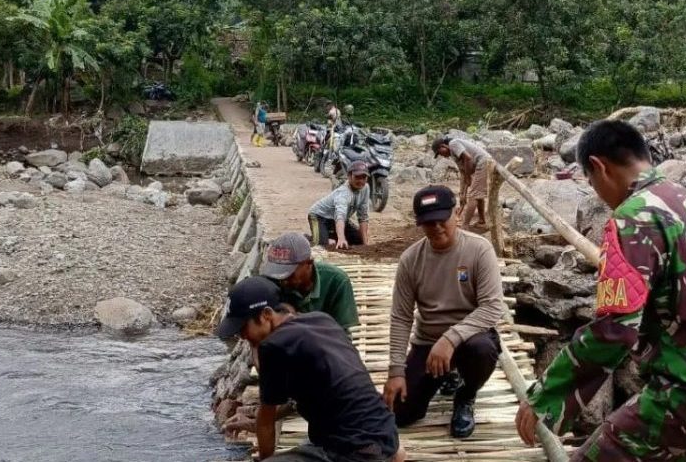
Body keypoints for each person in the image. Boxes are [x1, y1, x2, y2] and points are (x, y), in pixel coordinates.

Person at [514, 120, 686, 461]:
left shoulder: (632, 217)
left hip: (685, 404)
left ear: (599, 166)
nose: (597, 191)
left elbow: (614, 329)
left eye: (591, 181)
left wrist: (547, 395)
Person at [216, 277, 403, 462]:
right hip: (385, 435)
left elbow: (267, 420)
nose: (241, 335)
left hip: (355, 451)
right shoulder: (322, 319)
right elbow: (298, 398)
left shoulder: (273, 347)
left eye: (243, 328)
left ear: (266, 314)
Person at [382, 185, 505, 439]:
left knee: (482, 349)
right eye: (428, 222)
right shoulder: (410, 260)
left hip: (471, 338)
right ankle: (446, 373)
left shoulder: (479, 249)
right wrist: (396, 371)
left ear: (457, 213)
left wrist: (450, 338)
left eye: (442, 219)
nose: (436, 227)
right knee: (401, 413)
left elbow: (493, 307)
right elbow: (401, 316)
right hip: (428, 343)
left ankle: (466, 394)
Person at [261, 232, 359, 334]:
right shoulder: (273, 282)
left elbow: (342, 334)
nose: (284, 280)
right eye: (278, 272)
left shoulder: (336, 281)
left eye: (289, 274)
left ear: (309, 264)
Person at [308, 161, 371, 250]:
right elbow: (340, 216)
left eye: (364, 177)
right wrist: (341, 239)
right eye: (357, 177)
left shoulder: (366, 188)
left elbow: (363, 217)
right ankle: (309, 239)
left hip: (336, 219)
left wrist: (365, 244)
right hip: (319, 216)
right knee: (321, 247)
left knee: (358, 240)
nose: (361, 181)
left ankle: (328, 236)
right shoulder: (343, 193)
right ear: (349, 176)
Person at [431, 136, 490, 230]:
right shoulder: (454, 155)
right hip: (480, 164)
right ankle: (482, 221)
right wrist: (462, 193)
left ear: (443, 146)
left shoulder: (453, 144)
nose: (441, 155)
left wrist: (468, 177)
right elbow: (463, 173)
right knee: (478, 194)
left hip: (483, 162)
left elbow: (468, 158)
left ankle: (465, 225)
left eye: (439, 152)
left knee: (474, 195)